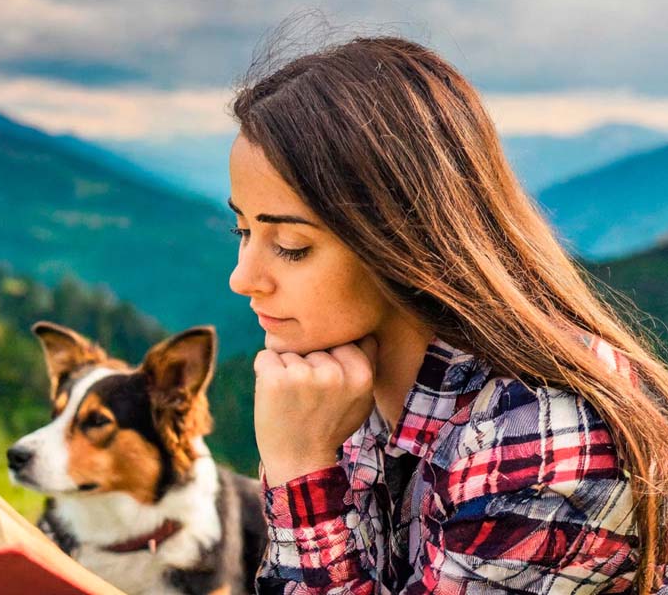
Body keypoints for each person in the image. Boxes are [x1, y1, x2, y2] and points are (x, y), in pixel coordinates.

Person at [226, 34, 668, 594]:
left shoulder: (533, 446)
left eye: (290, 244)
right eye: (243, 230)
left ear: (400, 239)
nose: (242, 278)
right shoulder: (343, 391)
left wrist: (298, 470)